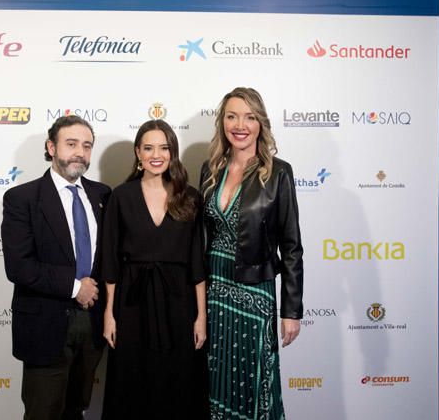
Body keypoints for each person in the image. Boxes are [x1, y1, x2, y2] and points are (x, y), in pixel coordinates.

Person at [201, 87, 303, 420]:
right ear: (222, 123)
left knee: (256, 379)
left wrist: (291, 310)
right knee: (217, 378)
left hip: (255, 292)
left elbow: (291, 246)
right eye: (232, 116)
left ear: (261, 123)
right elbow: (203, 235)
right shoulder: (210, 169)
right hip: (214, 291)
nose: (240, 124)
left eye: (249, 117)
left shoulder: (278, 172)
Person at [1, 115, 111, 420]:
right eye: (71, 144)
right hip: (45, 326)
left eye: (87, 146)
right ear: (51, 147)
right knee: (43, 413)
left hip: (91, 326)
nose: (80, 152)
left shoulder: (103, 195)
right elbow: (19, 267)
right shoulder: (22, 199)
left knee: (76, 410)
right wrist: (76, 287)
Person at [101, 119, 208, 420]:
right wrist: (110, 314)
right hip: (132, 303)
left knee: (179, 381)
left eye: (164, 147)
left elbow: (198, 262)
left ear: (173, 152)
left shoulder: (191, 197)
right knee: (133, 381)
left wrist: (201, 316)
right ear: (138, 152)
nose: (156, 154)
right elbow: (110, 260)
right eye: (148, 147)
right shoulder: (120, 197)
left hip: (180, 302)